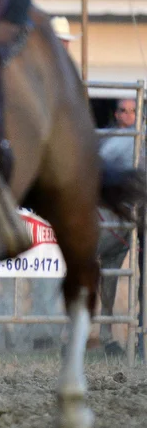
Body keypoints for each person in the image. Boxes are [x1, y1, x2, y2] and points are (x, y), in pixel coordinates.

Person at [94, 97, 139, 356]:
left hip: (125, 220)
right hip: (102, 214)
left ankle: (107, 332)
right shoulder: (104, 138)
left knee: (111, 277)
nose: (128, 116)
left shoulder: (141, 141)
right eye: (123, 111)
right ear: (116, 114)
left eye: (133, 111)